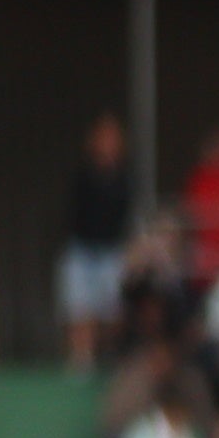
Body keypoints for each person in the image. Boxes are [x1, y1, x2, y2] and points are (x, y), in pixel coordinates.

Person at [62, 115, 138, 363]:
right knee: (80, 310)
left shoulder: (125, 180)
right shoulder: (83, 175)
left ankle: (105, 359)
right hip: (83, 251)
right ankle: (80, 360)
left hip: (111, 253)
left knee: (111, 315)